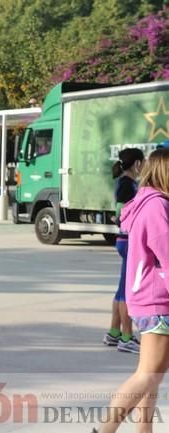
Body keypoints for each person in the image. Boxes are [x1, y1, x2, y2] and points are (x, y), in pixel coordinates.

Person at [93, 148, 169, 433]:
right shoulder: (157, 206)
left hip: (149, 298)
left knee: (151, 375)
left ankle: (143, 430)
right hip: (158, 301)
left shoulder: (146, 202)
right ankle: (105, 430)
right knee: (147, 376)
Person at [102, 148, 145, 354]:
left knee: (121, 289)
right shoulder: (127, 184)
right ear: (137, 163)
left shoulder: (127, 182)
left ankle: (114, 332)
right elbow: (120, 210)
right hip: (128, 240)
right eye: (143, 162)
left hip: (124, 240)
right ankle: (127, 337)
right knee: (127, 291)